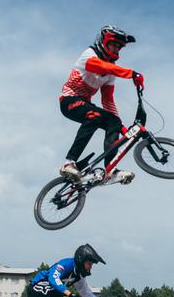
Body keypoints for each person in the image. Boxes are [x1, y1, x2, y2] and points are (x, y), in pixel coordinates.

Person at [57, 25, 145, 184]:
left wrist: (121, 127)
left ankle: (109, 171)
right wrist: (131, 73)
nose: (117, 49)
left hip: (84, 104)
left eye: (119, 47)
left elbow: (108, 100)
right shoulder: (89, 55)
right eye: (114, 44)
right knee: (94, 115)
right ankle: (68, 163)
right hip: (69, 101)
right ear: (103, 43)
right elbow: (102, 66)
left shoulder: (110, 74)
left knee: (113, 121)